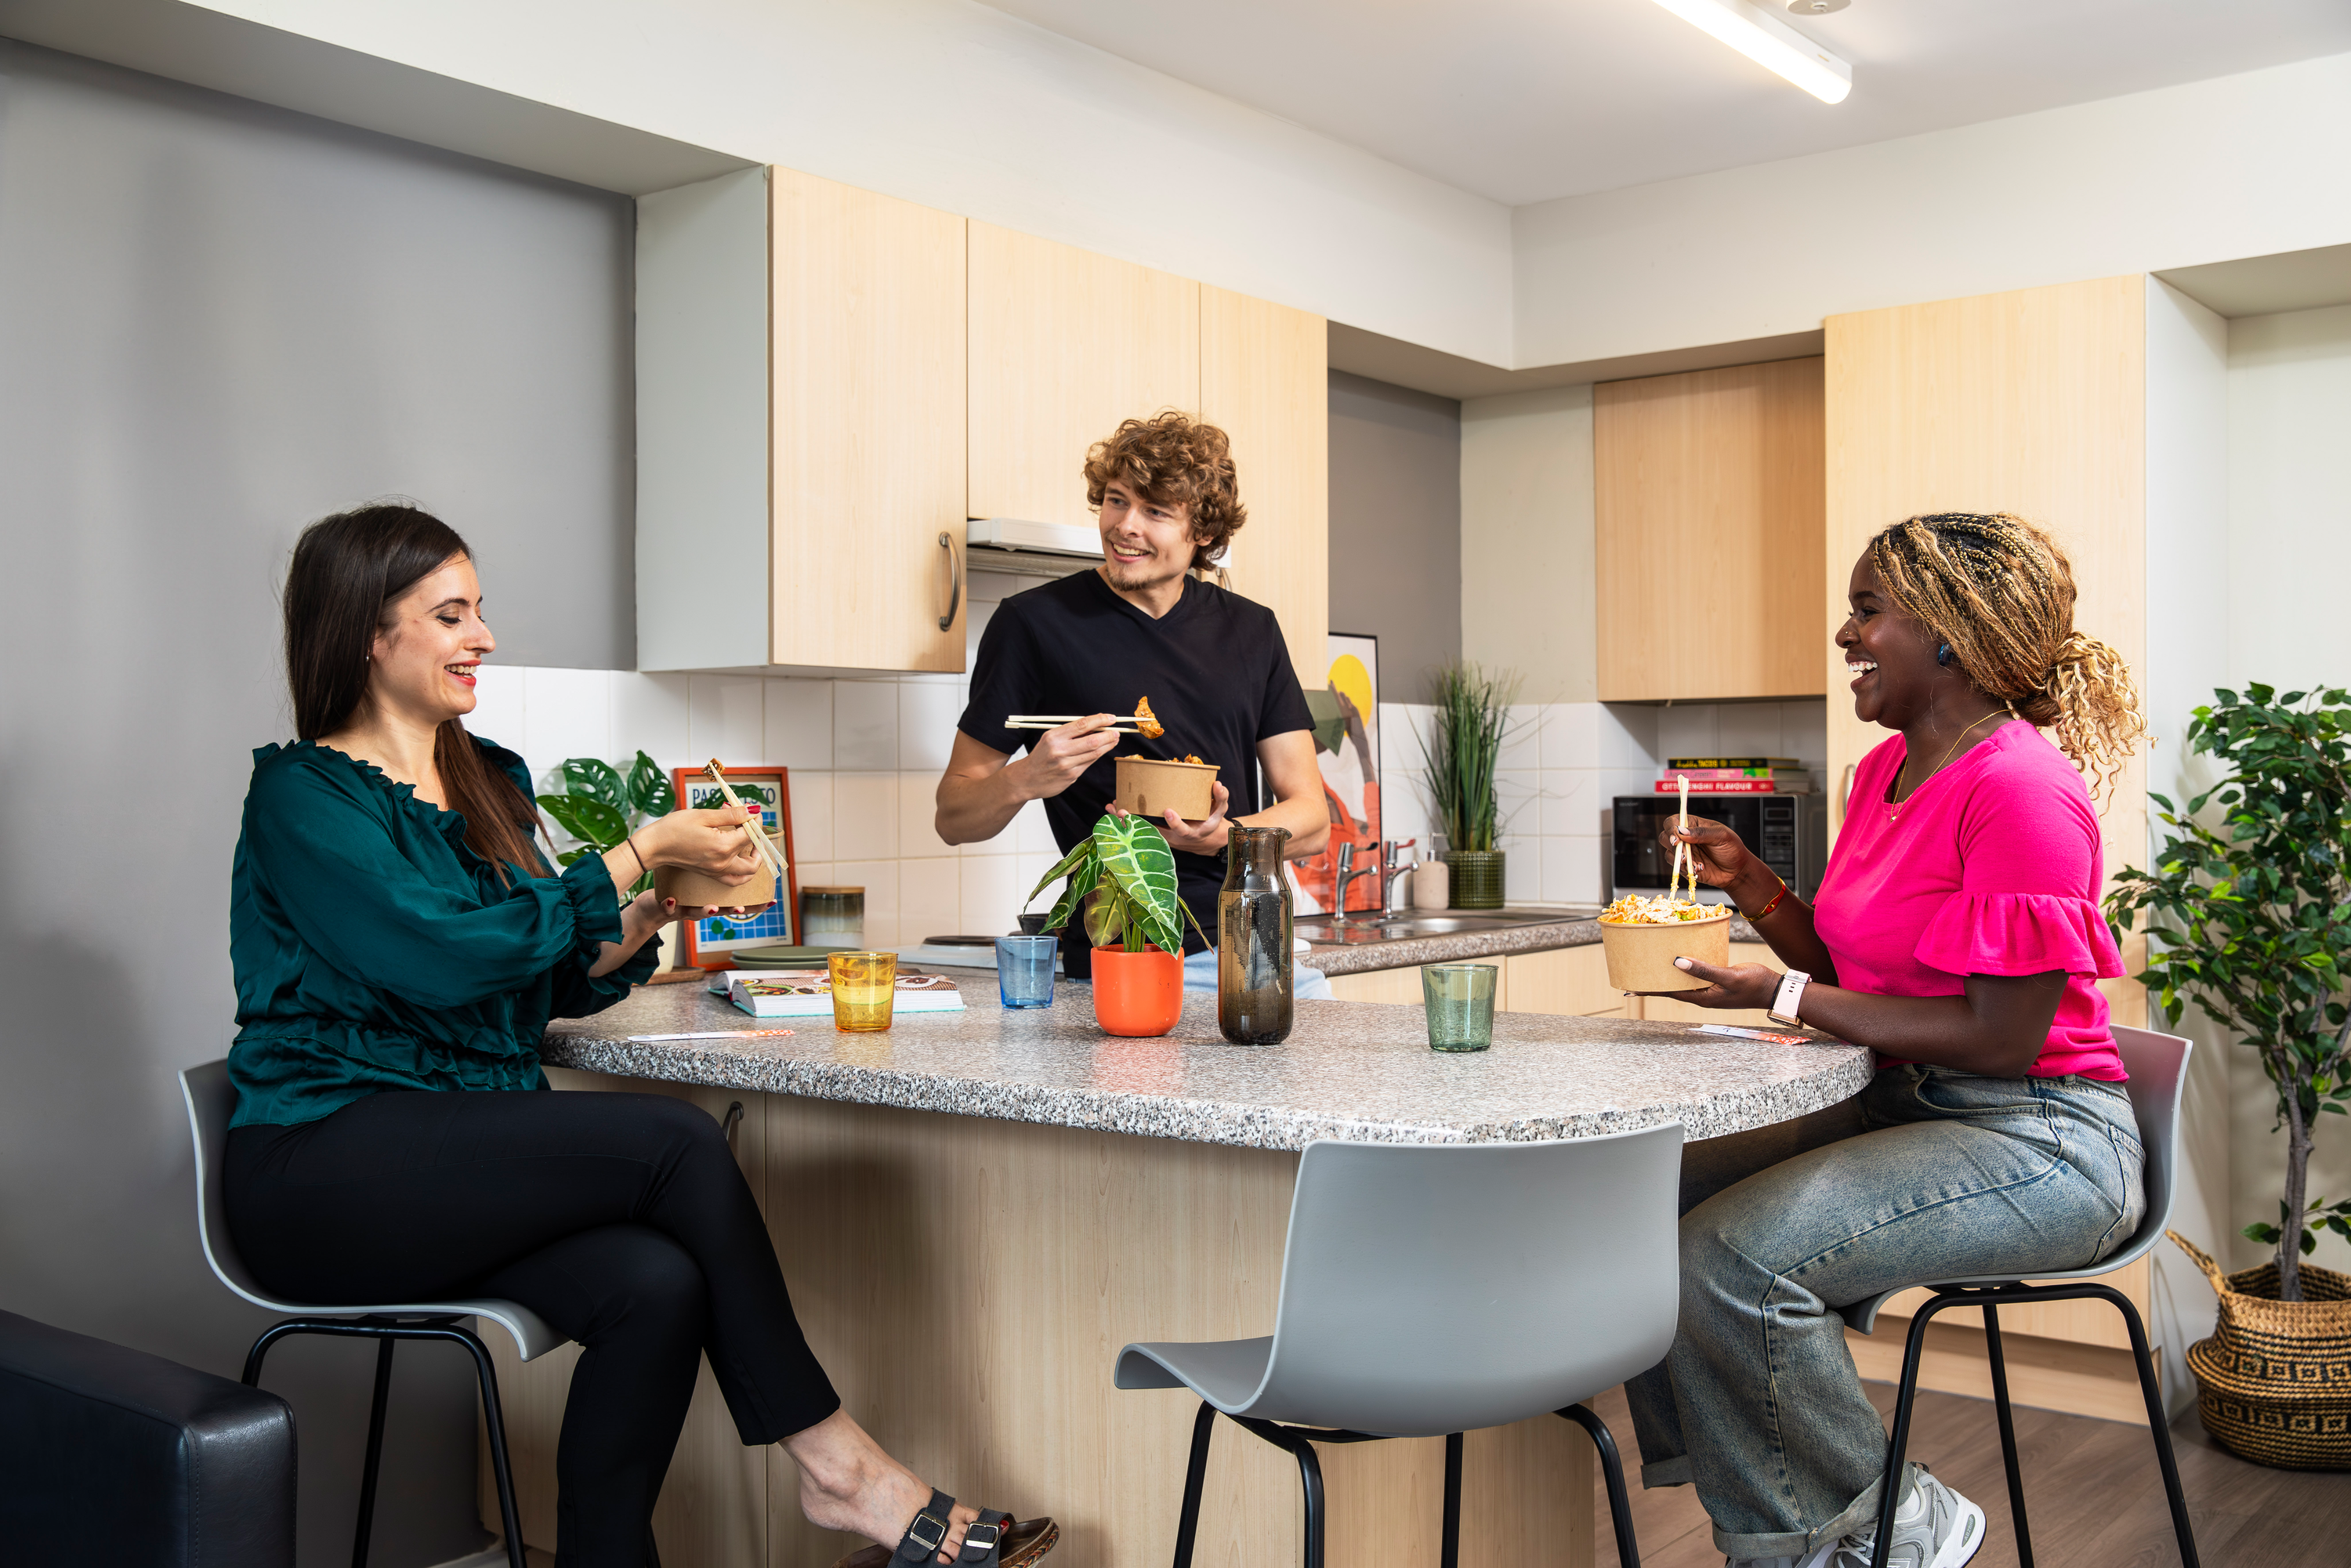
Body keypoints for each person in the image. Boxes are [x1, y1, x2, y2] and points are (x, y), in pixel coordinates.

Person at [223, 504, 1058, 1568]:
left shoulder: (487, 779)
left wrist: (662, 897)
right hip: (319, 1168)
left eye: (480, 609)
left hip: (448, 1157)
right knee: (673, 1143)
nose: (483, 635)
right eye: (450, 613)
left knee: (654, 1285)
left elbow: (545, 977)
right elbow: (447, 954)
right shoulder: (303, 796)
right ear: (365, 633)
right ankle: (843, 1470)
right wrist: (631, 851)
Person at [1636, 512, 2150, 1568]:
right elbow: (1849, 971)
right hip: (1915, 1106)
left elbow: (2001, 1039)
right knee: (1639, 1195)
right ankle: (1792, 1508)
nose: (1845, 635)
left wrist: (1778, 998)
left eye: (1868, 611)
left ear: (1951, 632)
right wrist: (1757, 888)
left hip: (2039, 1139)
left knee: (1728, 1260)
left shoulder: (2020, 790)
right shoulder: (1883, 777)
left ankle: (1874, 1528)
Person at [936, 411, 1329, 975]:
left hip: (1249, 952)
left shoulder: (1253, 630)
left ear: (1206, 533)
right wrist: (1027, 777)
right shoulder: (1032, 625)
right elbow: (952, 815)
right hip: (1117, 957)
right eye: (1117, 500)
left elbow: (1313, 817)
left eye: (1156, 512)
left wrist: (1223, 838)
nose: (1125, 525)